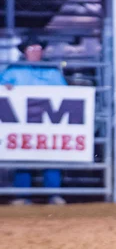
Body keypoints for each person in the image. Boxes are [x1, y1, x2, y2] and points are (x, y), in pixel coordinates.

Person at [0, 35, 67, 206]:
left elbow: (66, 93)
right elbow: (2, 86)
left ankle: (53, 195)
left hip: (47, 123)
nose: (35, 52)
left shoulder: (52, 71)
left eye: (38, 49)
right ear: (24, 52)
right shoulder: (13, 71)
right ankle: (23, 195)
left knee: (52, 156)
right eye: (31, 49)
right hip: (23, 123)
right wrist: (5, 88)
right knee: (23, 156)